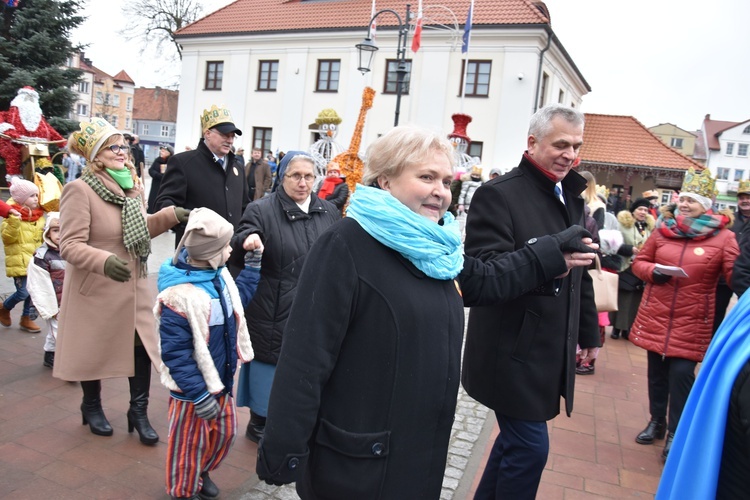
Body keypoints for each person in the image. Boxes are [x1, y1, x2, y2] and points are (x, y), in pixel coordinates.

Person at [255, 125, 596, 497]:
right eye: (426, 177)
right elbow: (306, 356)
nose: (441, 191)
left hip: (419, 456)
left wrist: (549, 253)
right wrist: (284, 446)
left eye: (447, 181)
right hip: (358, 462)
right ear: (385, 180)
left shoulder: (438, 249)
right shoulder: (344, 245)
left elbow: (486, 278)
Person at [462, 104, 600, 499]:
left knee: (513, 444)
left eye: (576, 146)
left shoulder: (571, 195)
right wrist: (548, 258)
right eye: (560, 145)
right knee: (529, 448)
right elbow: (481, 278)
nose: (569, 155)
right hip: (510, 352)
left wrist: (588, 329)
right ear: (532, 142)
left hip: (547, 349)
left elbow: (581, 270)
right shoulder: (497, 194)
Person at [53, 117, 190, 444]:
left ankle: (138, 411)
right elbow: (69, 244)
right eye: (114, 147)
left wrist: (172, 216)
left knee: (141, 346)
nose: (123, 152)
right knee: (94, 347)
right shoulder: (80, 189)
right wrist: (104, 261)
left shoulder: (130, 186)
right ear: (96, 154)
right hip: (96, 284)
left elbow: (140, 229)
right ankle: (91, 406)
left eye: (123, 147)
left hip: (133, 282)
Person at [630, 167, 738, 462]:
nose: (685, 204)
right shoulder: (663, 229)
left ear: (707, 205)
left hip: (693, 319)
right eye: (683, 199)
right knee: (656, 373)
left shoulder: (725, 238)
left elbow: (734, 275)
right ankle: (657, 422)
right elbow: (639, 261)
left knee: (681, 376)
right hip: (657, 313)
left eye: (692, 200)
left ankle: (677, 429)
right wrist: (653, 272)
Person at [233, 151, 340, 443]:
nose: (303, 183)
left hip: (314, 303)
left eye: (308, 176)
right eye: (295, 176)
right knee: (269, 363)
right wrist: (248, 239)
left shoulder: (328, 211)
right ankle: (259, 421)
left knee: (305, 363)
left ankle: (295, 417)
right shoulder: (261, 209)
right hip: (273, 302)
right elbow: (241, 234)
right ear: (282, 177)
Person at [156, 208, 261, 500]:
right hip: (193, 392)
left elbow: (237, 303)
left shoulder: (219, 276)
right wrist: (198, 394)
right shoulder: (179, 297)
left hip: (220, 379)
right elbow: (176, 354)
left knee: (225, 433)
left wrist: (252, 269)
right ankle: (183, 491)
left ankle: (201, 471)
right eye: (226, 247)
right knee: (187, 444)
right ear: (211, 253)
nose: (231, 250)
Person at [156, 105, 249, 275]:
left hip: (230, 257)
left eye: (232, 136)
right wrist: (191, 229)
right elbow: (165, 203)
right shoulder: (183, 163)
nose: (229, 140)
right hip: (197, 260)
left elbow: (244, 207)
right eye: (224, 135)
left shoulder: (238, 167)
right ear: (207, 133)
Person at [0, 179, 45, 333]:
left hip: (35, 261)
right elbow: (7, 238)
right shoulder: (11, 215)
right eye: (31, 196)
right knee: (23, 292)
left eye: (37, 195)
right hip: (19, 262)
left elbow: (43, 238)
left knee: (33, 292)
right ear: (21, 199)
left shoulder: (39, 216)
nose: (35, 199)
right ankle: (4, 308)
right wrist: (14, 222)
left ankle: (26, 319)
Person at [609, 197, 655, 340]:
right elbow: (614, 244)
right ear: (633, 211)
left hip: (640, 268)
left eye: (646, 210)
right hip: (625, 266)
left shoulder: (648, 227)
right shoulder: (623, 225)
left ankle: (628, 328)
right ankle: (617, 328)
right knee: (623, 299)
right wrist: (630, 249)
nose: (643, 212)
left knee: (635, 300)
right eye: (640, 209)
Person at [0, 86, 65, 182]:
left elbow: (50, 130)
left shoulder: (39, 119)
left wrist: (63, 143)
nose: (29, 101)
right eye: (26, 98)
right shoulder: (11, 113)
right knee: (13, 160)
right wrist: (7, 130)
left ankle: (47, 183)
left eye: (31, 98)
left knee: (47, 164)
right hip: (16, 144)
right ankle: (15, 181)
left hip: (39, 147)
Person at [26, 212, 64, 368]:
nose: (60, 234)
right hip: (54, 302)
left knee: (54, 331)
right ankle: (67, 361)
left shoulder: (72, 251)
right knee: (61, 332)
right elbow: (38, 284)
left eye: (63, 229)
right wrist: (48, 306)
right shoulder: (42, 256)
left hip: (69, 299)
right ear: (48, 232)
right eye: (55, 230)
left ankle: (50, 355)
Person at [714, 180, 750, 331]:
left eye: (748, 197)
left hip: (746, 277)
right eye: (741, 197)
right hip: (723, 276)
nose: (745, 200)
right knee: (716, 314)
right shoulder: (729, 220)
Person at [147, 145, 173, 214]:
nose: (161, 152)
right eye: (161, 150)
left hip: (165, 185)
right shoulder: (157, 160)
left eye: (164, 151)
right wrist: (157, 175)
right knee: (153, 200)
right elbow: (151, 170)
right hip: (156, 184)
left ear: (169, 152)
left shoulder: (172, 161)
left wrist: (164, 176)